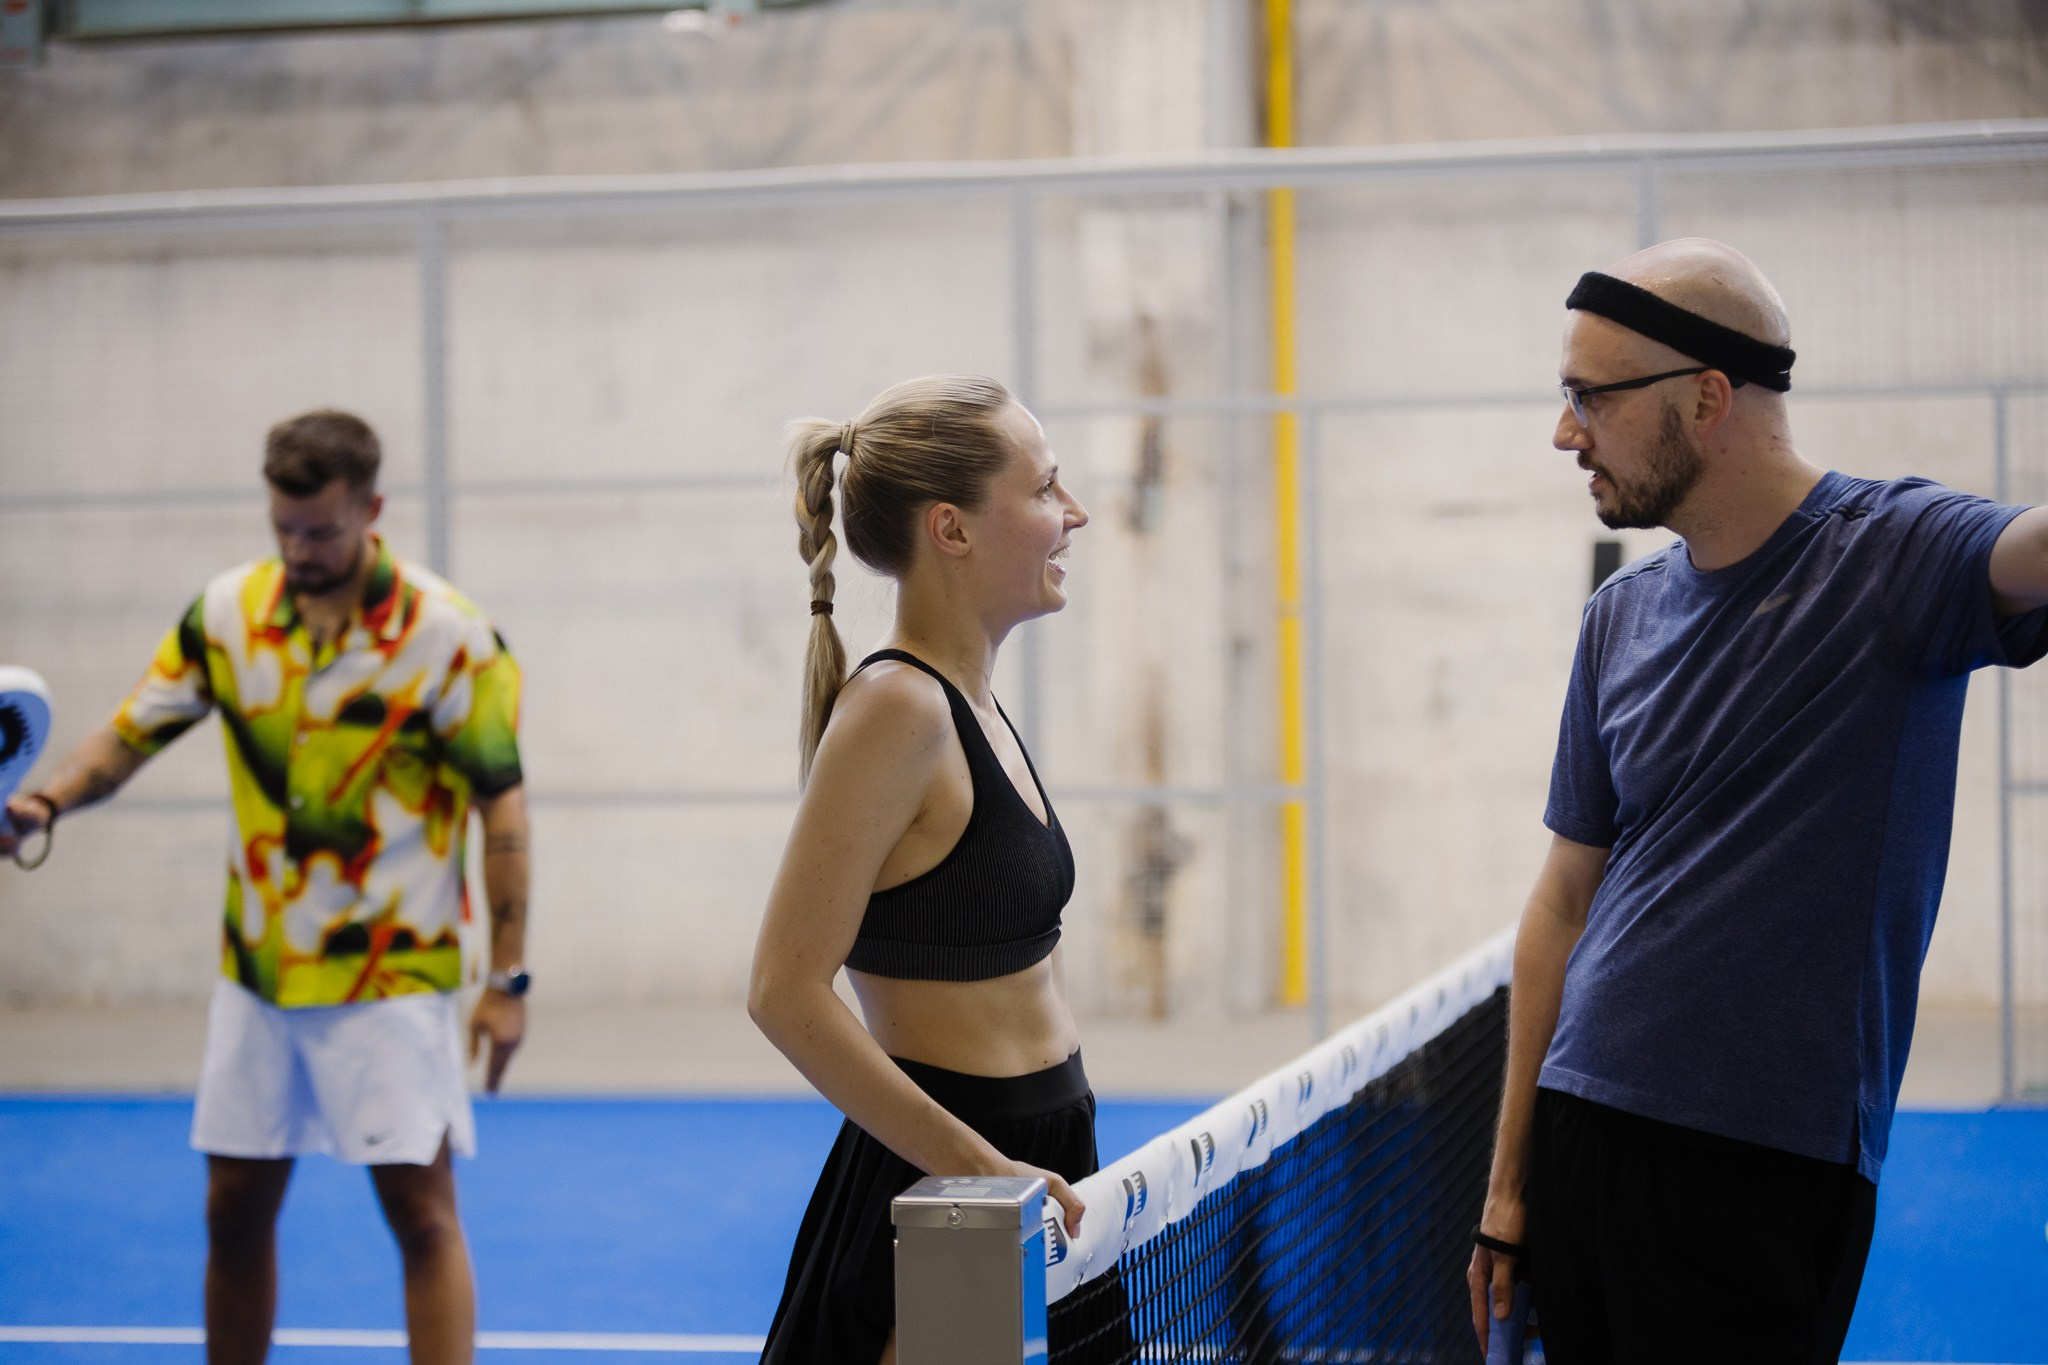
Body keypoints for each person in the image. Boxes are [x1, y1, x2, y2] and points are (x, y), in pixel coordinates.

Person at [1466, 239, 2048, 1364]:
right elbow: (1559, 907)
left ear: (1707, 397)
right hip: (1582, 1134)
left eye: (1588, 397)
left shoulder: (1894, 555)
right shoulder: (1617, 619)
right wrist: (1505, 1187)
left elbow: (2030, 549)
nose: (1562, 432)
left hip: (1763, 1165)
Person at [0, 410, 531, 1365]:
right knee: (232, 1207)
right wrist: (44, 802)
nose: (297, 549)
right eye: (282, 526)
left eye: (320, 529)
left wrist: (508, 978)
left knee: (422, 1215)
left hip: (392, 977)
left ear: (371, 509)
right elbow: (128, 735)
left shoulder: (451, 638)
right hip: (256, 978)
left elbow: (504, 812)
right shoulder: (227, 614)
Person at [748, 375, 1096, 1364]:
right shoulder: (896, 711)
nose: (1072, 516)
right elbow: (782, 991)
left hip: (1028, 1154)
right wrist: (977, 1173)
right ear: (951, 528)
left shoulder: (974, 703)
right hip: (954, 1183)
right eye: (1043, 489)